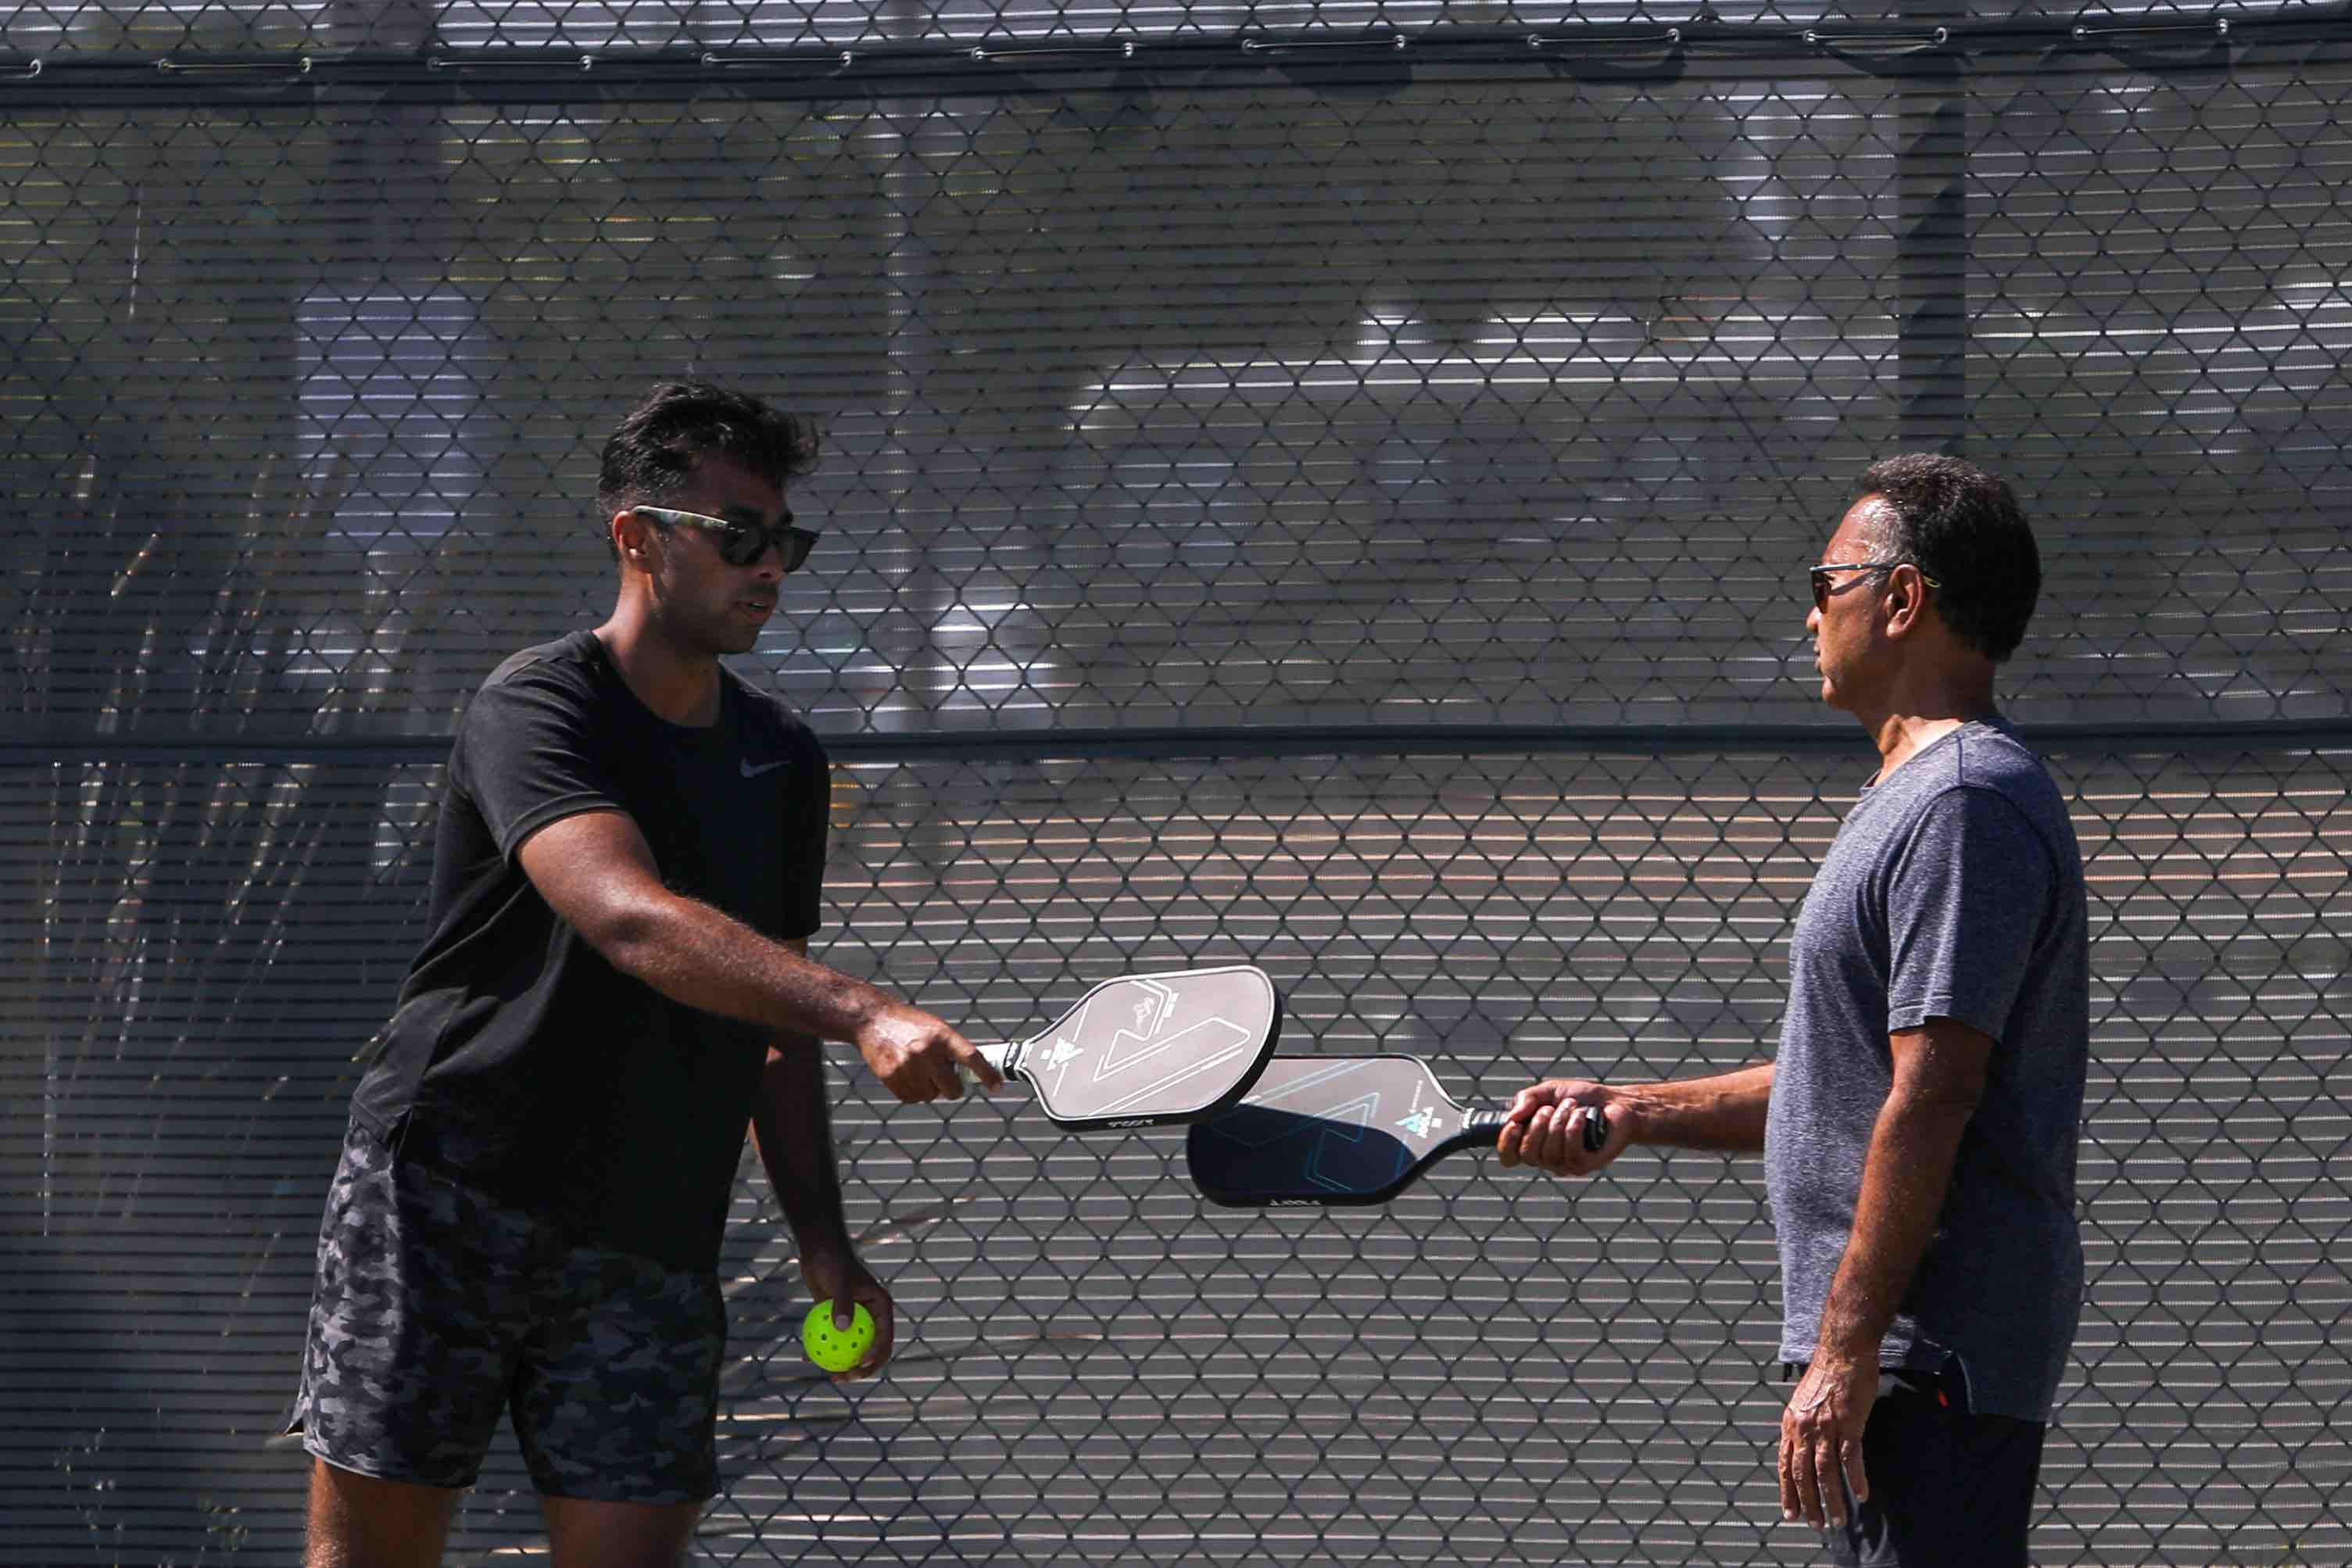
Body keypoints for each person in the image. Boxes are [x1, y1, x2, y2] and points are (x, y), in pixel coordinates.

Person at [286, 381, 1004, 1568]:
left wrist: (822, 1240)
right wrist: (869, 1010)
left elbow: (769, 1014)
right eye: (738, 538)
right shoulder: (537, 706)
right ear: (638, 537)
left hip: (652, 1234)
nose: (769, 566)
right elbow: (629, 918)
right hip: (450, 1198)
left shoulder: (780, 756)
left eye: (786, 541)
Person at [1498, 454, 2089, 1568]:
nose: (1808, 608)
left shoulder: (1962, 801)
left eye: (1826, 579)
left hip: (1928, 1352)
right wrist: (1629, 1106)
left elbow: (1933, 1088)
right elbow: (1849, 1081)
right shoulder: (1917, 795)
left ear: (1902, 599)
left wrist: (1847, 1348)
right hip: (1905, 1355)